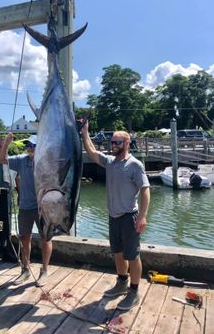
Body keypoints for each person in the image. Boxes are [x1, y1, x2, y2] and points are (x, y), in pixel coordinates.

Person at [81, 122, 150, 311]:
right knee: (118, 253)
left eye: (117, 142)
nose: (113, 145)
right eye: (112, 142)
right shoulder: (110, 162)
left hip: (130, 217)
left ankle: (134, 292)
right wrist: (85, 132)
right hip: (113, 216)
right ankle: (122, 283)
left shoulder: (135, 165)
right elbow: (93, 153)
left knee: (133, 255)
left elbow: (145, 191)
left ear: (127, 143)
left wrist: (142, 216)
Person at [0, 133, 53, 287]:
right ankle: (25, 270)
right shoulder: (22, 160)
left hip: (44, 207)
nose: (30, 148)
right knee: (24, 238)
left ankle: (44, 271)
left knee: (46, 238)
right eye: (28, 145)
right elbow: (3, 159)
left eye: (33, 146)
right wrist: (6, 143)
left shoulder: (46, 161)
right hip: (25, 206)